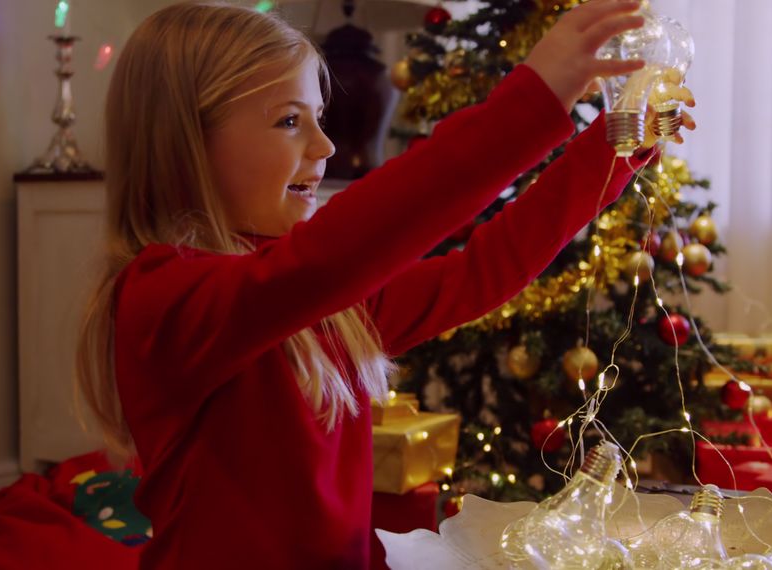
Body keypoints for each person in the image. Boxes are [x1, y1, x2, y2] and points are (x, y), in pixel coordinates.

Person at [75, 1, 693, 567]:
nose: (324, 144)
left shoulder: (320, 298)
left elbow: (484, 268)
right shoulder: (165, 295)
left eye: (318, 118)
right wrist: (530, 104)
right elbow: (342, 250)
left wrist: (616, 145)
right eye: (289, 121)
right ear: (188, 141)